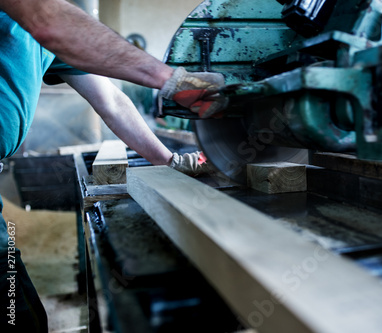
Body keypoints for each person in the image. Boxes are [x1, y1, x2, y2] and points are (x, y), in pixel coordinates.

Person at [0, 0, 226, 331]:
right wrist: (173, 80)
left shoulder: (46, 32)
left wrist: (169, 161)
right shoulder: (43, 16)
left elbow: (113, 102)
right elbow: (50, 21)